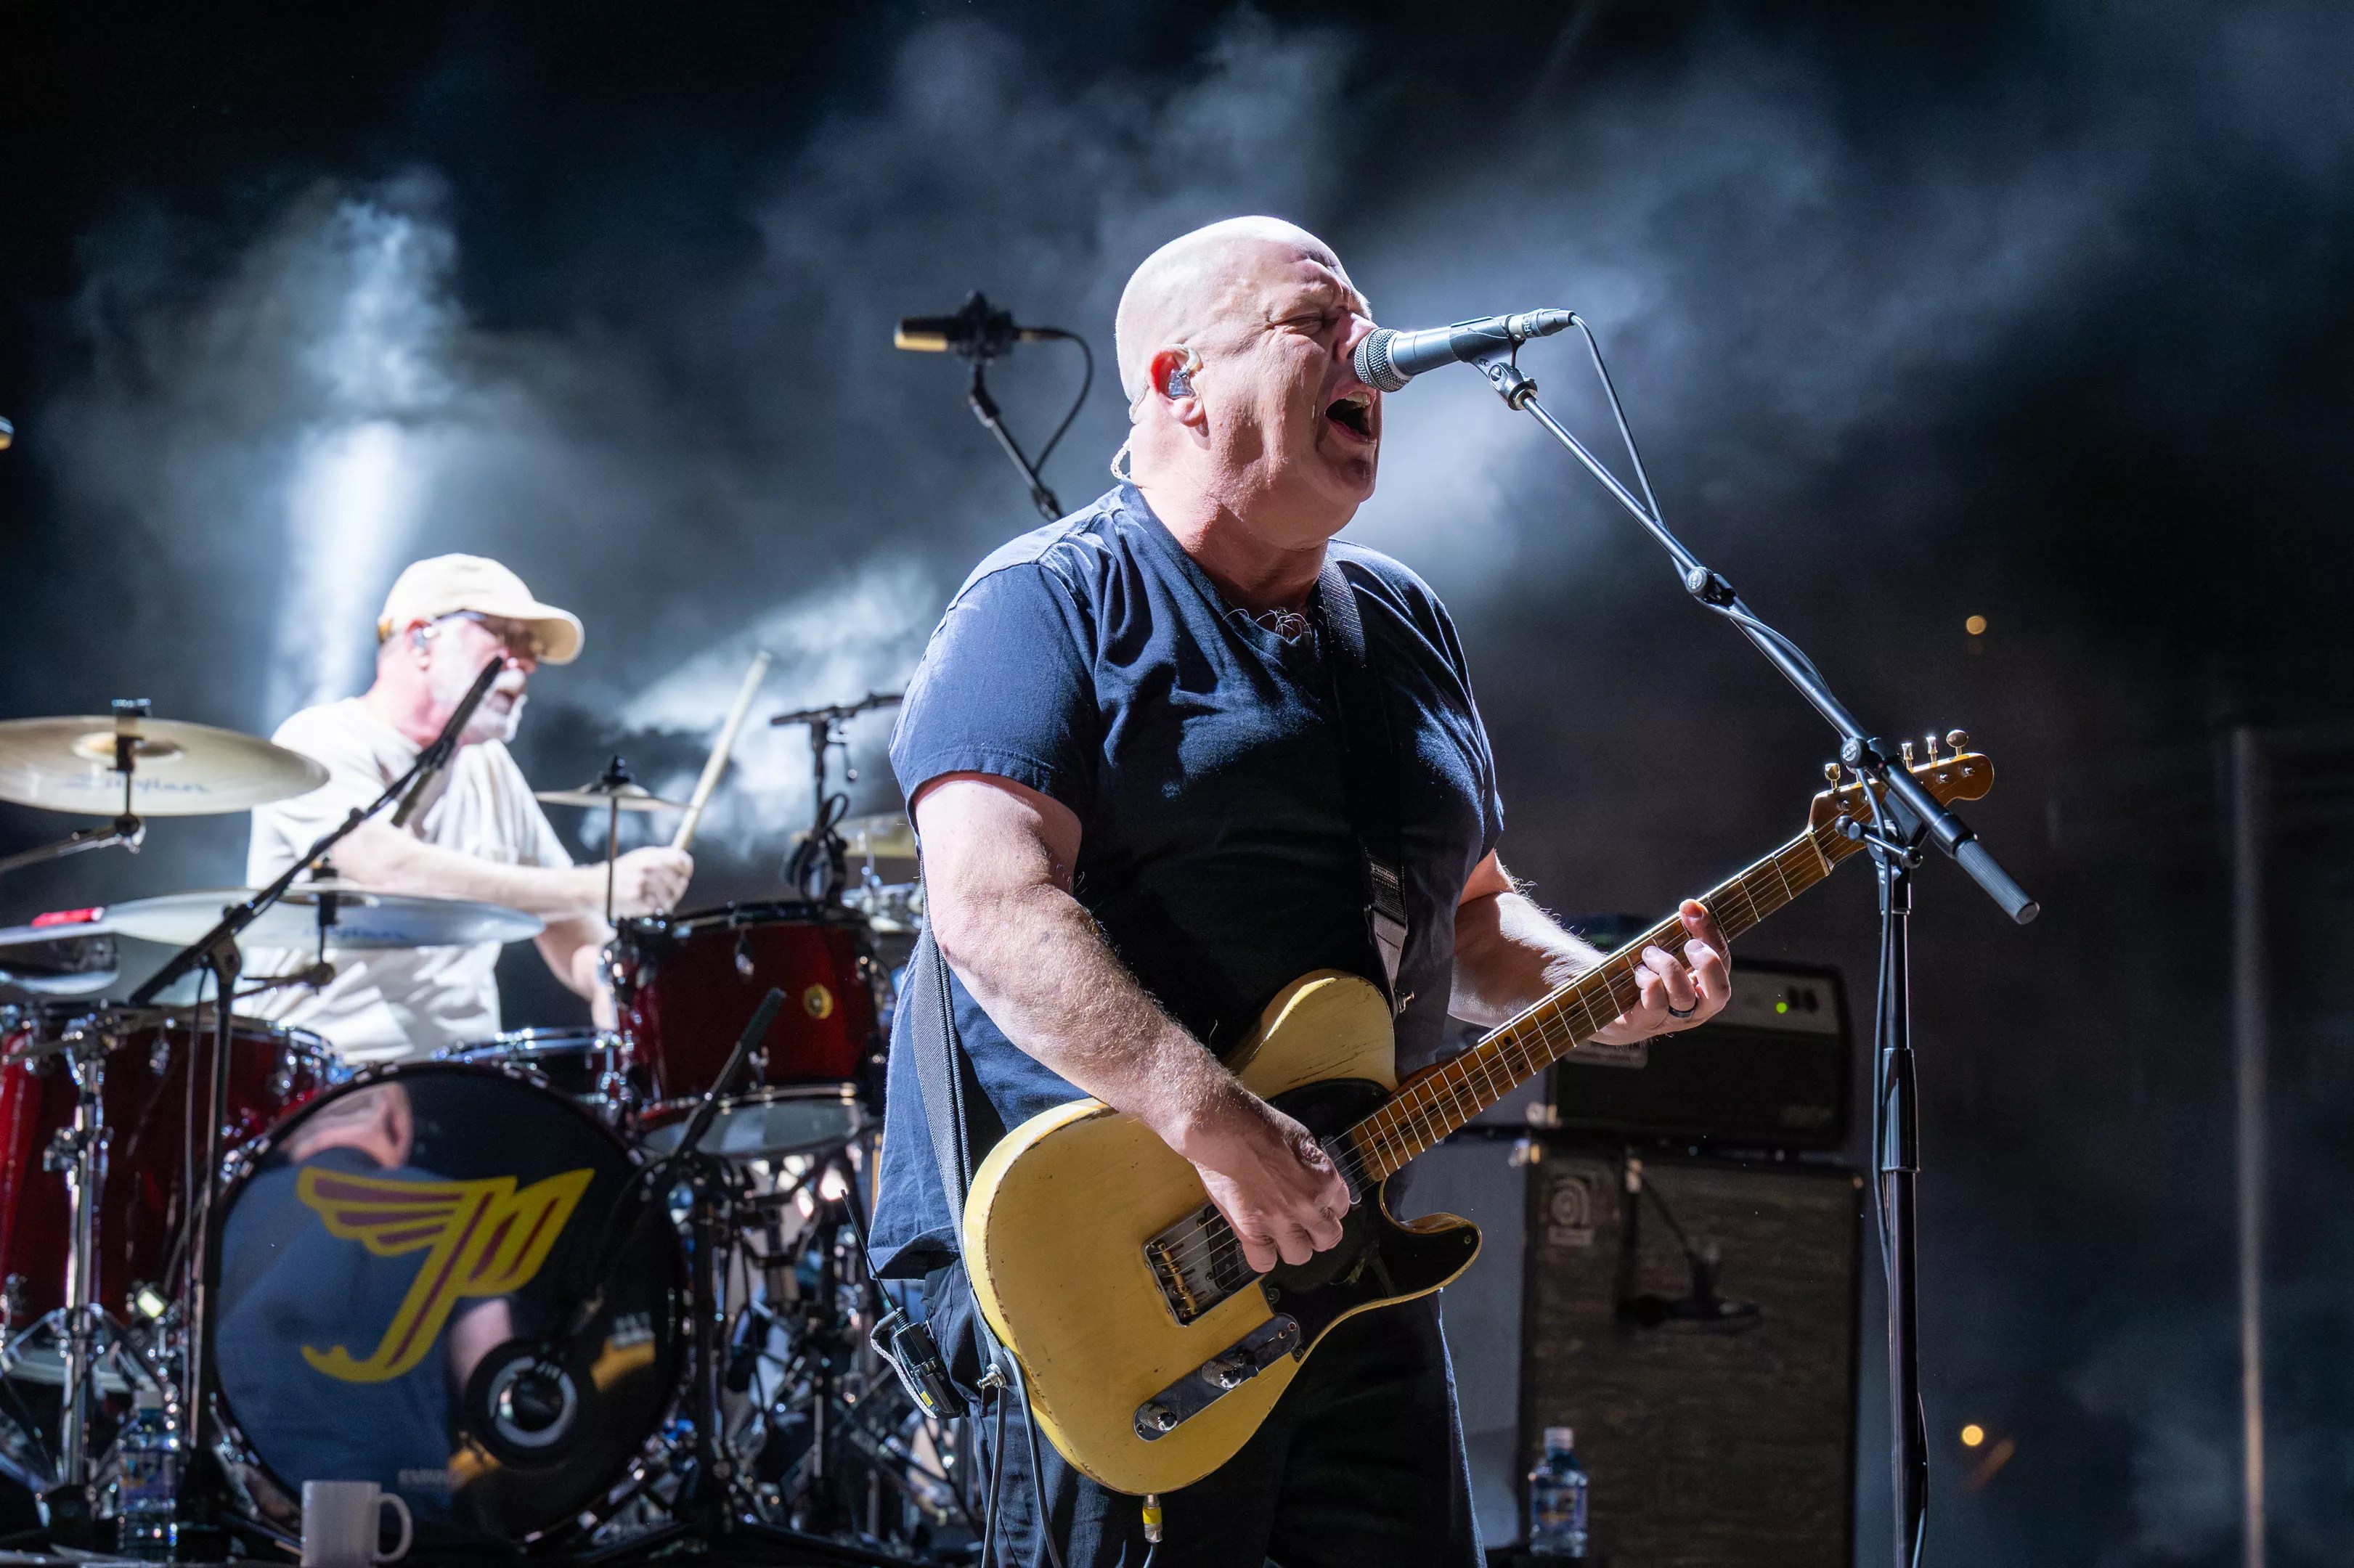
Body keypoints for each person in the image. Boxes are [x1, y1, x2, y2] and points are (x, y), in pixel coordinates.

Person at [868, 217, 1733, 1567]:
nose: (1369, 358)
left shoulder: (1400, 623)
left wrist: (1605, 994)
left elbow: (1468, 913)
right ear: (1175, 382)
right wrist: (1208, 1117)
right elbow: (989, 909)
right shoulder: (1046, 605)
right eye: (1315, 325)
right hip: (1119, 1276)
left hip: (1346, 1267)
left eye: (1366, 325)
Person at [245, 555, 692, 1063]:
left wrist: (612, 982)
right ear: (420, 639)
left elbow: (571, 928)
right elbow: (389, 869)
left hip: (466, 1080)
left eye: (532, 646)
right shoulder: (320, 740)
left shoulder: (489, 766)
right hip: (327, 1080)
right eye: (504, 635)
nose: (526, 661)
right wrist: (600, 885)